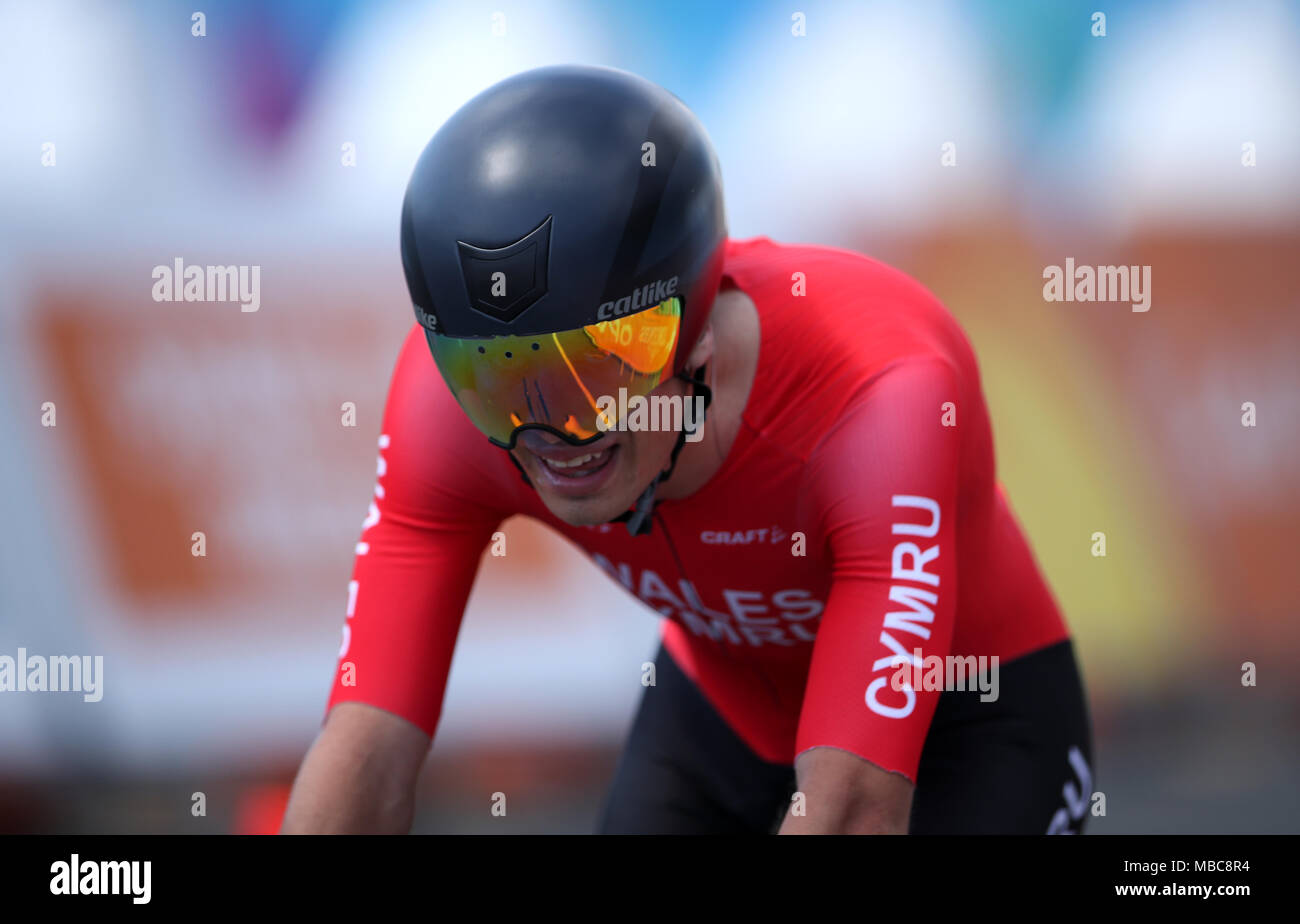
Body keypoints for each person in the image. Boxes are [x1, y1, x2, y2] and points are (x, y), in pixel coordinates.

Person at [282, 64, 1093, 835]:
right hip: (721, 711)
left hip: (974, 721)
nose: (550, 434)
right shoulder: (441, 410)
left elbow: (854, 808)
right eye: (494, 378)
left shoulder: (879, 394)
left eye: (594, 373)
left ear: (695, 337)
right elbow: (368, 739)